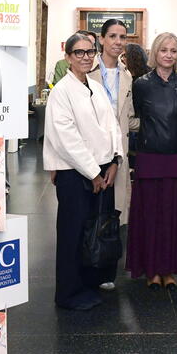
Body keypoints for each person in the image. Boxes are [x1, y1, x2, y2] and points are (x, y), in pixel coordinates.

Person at [43, 33, 124, 310]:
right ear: (68, 57)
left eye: (90, 52)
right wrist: (92, 173)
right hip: (76, 173)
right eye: (79, 53)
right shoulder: (61, 92)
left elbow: (113, 125)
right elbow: (66, 137)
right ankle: (68, 293)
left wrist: (115, 160)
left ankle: (89, 283)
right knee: (72, 232)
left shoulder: (97, 87)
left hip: (103, 169)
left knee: (95, 229)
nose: (86, 57)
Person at [127, 32, 177, 290]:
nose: (168, 55)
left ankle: (169, 269)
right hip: (150, 155)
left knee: (173, 216)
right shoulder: (141, 84)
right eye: (164, 50)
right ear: (155, 53)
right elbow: (136, 117)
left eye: (173, 51)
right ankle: (152, 269)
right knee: (150, 215)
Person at [87, 19, 137, 291]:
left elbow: (127, 118)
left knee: (113, 214)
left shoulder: (126, 75)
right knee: (88, 212)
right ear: (102, 39)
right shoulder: (87, 71)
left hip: (118, 154)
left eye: (123, 36)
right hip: (90, 153)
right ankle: (85, 266)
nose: (118, 41)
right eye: (113, 36)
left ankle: (106, 269)